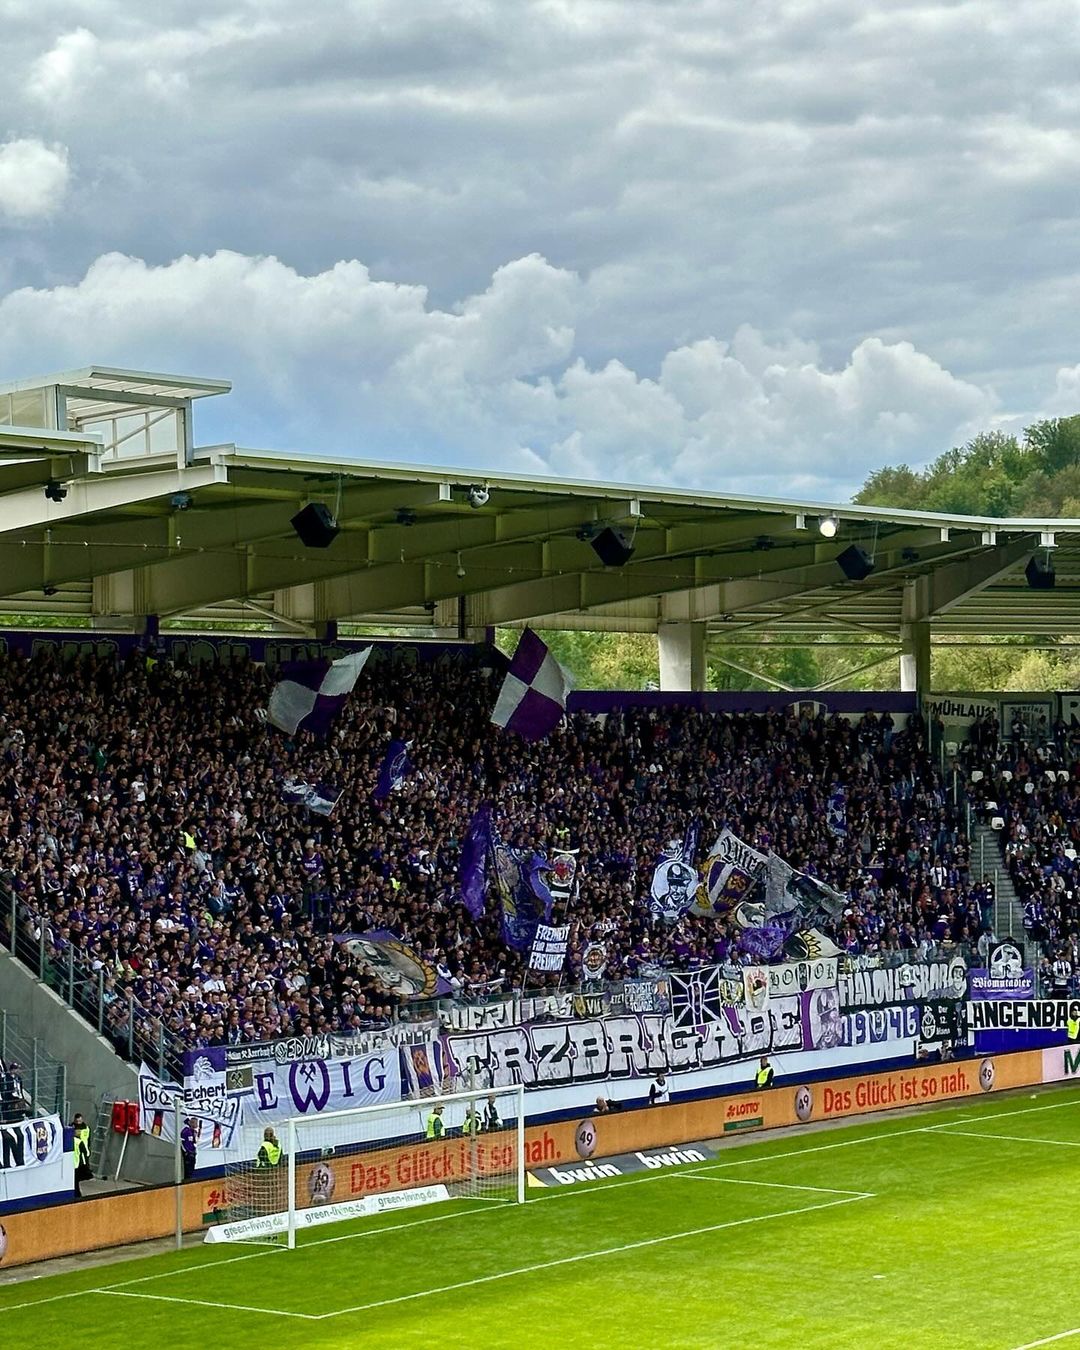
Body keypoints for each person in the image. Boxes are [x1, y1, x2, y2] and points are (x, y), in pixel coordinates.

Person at [72, 1112, 92, 1197]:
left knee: (83, 1168)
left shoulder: (86, 1128)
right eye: (77, 1121)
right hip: (77, 1152)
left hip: (84, 1150)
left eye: (80, 1120)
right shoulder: (72, 1128)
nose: (79, 1122)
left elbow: (88, 1139)